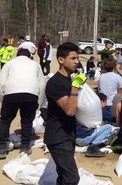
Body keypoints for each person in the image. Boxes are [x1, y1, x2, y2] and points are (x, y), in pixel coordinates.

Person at [44, 42, 87, 185]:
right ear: (61, 60)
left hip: (68, 134)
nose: (77, 62)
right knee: (72, 178)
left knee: (63, 176)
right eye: (73, 58)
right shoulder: (54, 83)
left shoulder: (71, 79)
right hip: (58, 137)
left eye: (77, 58)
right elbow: (69, 110)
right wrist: (75, 88)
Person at [0, 49, 45, 159]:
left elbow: (1, 83)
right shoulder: (35, 65)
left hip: (11, 94)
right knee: (26, 121)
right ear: (30, 56)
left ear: (17, 55)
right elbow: (42, 85)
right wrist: (38, 102)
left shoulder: (9, 64)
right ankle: (25, 147)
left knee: (5, 120)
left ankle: (1, 147)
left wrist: (3, 99)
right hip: (31, 95)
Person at [75, 92, 115, 158]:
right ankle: (93, 146)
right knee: (108, 127)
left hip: (76, 139)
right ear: (102, 101)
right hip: (85, 139)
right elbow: (113, 119)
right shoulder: (99, 110)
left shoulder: (82, 108)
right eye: (106, 102)